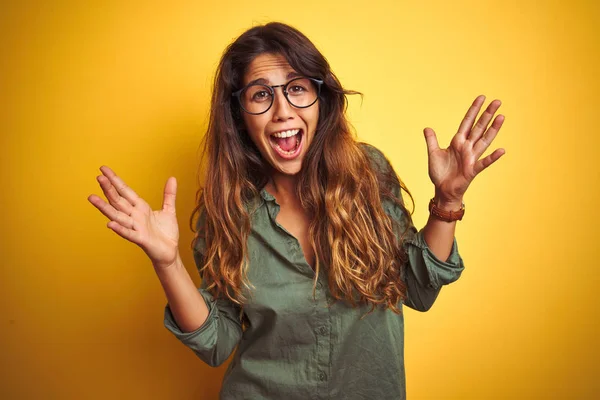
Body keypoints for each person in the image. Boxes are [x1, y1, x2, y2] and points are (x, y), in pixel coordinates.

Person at [88, 22, 505, 400]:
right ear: (239, 116)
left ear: (319, 100)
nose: (283, 110)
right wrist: (167, 262)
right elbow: (217, 343)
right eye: (261, 95)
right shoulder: (228, 212)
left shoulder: (368, 174)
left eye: (297, 88)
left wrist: (448, 202)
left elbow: (417, 289)